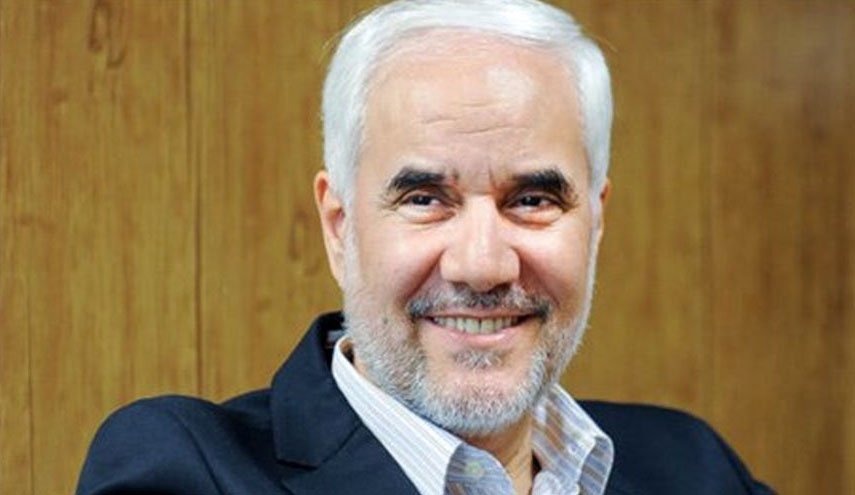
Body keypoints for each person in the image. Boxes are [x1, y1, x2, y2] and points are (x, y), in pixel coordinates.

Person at [77, 1, 773, 494]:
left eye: (532, 200)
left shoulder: (696, 469)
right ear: (340, 227)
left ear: (593, 224)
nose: (483, 264)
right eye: (424, 199)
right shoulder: (185, 469)